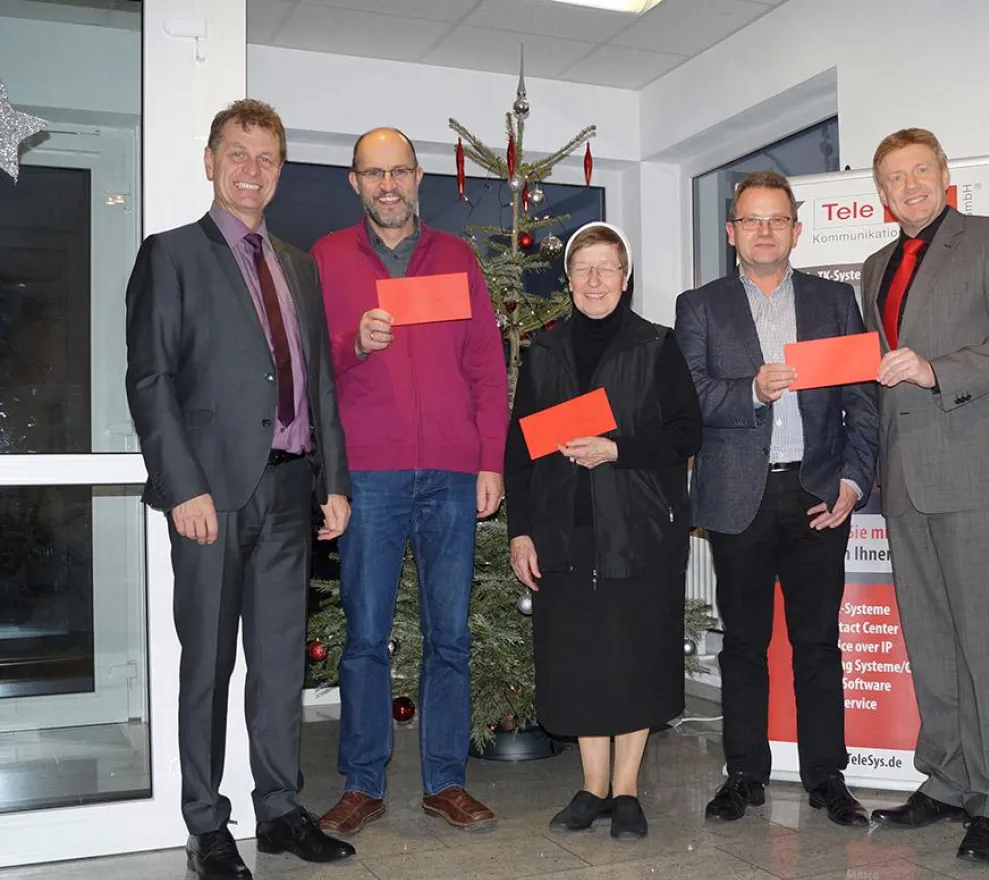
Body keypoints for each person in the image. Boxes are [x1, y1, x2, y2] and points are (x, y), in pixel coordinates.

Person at [125, 99, 354, 880]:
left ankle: (282, 810)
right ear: (212, 160)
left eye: (267, 158)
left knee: (280, 664)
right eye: (239, 154)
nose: (253, 170)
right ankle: (205, 824)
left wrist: (335, 482)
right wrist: (181, 486)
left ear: (280, 170)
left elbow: (319, 381)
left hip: (292, 494)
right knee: (209, 666)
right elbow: (150, 380)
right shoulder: (172, 256)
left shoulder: (298, 264)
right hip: (211, 502)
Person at [863, 129, 989, 863]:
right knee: (934, 645)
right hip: (906, 479)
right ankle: (944, 781)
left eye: (919, 171)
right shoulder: (877, 265)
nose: (907, 186)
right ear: (880, 196)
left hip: (976, 473)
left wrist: (937, 369)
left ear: (944, 176)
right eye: (892, 178)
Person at [313, 128, 508, 836]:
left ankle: (445, 782)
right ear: (355, 182)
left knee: (449, 637)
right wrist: (351, 345)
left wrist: (491, 461)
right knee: (364, 638)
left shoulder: (455, 259)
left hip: (454, 476)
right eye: (374, 174)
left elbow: (487, 367)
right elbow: (308, 375)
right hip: (370, 476)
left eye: (399, 171)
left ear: (418, 177)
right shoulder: (329, 259)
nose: (388, 185)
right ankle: (363, 784)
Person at [674, 171, 879, 828]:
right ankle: (744, 774)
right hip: (740, 497)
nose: (764, 230)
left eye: (776, 219)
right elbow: (689, 397)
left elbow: (862, 402)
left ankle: (828, 776)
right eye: (751, 220)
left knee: (818, 643)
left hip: (819, 492)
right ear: (732, 232)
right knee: (744, 645)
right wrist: (751, 390)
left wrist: (853, 482)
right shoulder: (699, 306)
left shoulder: (834, 303)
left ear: (796, 229)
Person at [505, 221, 702, 841]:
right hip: (566, 533)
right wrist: (521, 531)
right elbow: (521, 448)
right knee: (581, 661)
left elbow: (686, 433)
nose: (594, 280)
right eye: (582, 268)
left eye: (606, 268)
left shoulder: (657, 344)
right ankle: (591, 788)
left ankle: (627, 792)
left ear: (626, 277)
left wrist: (617, 449)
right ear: (568, 280)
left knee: (635, 659)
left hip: (637, 531)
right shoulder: (547, 350)